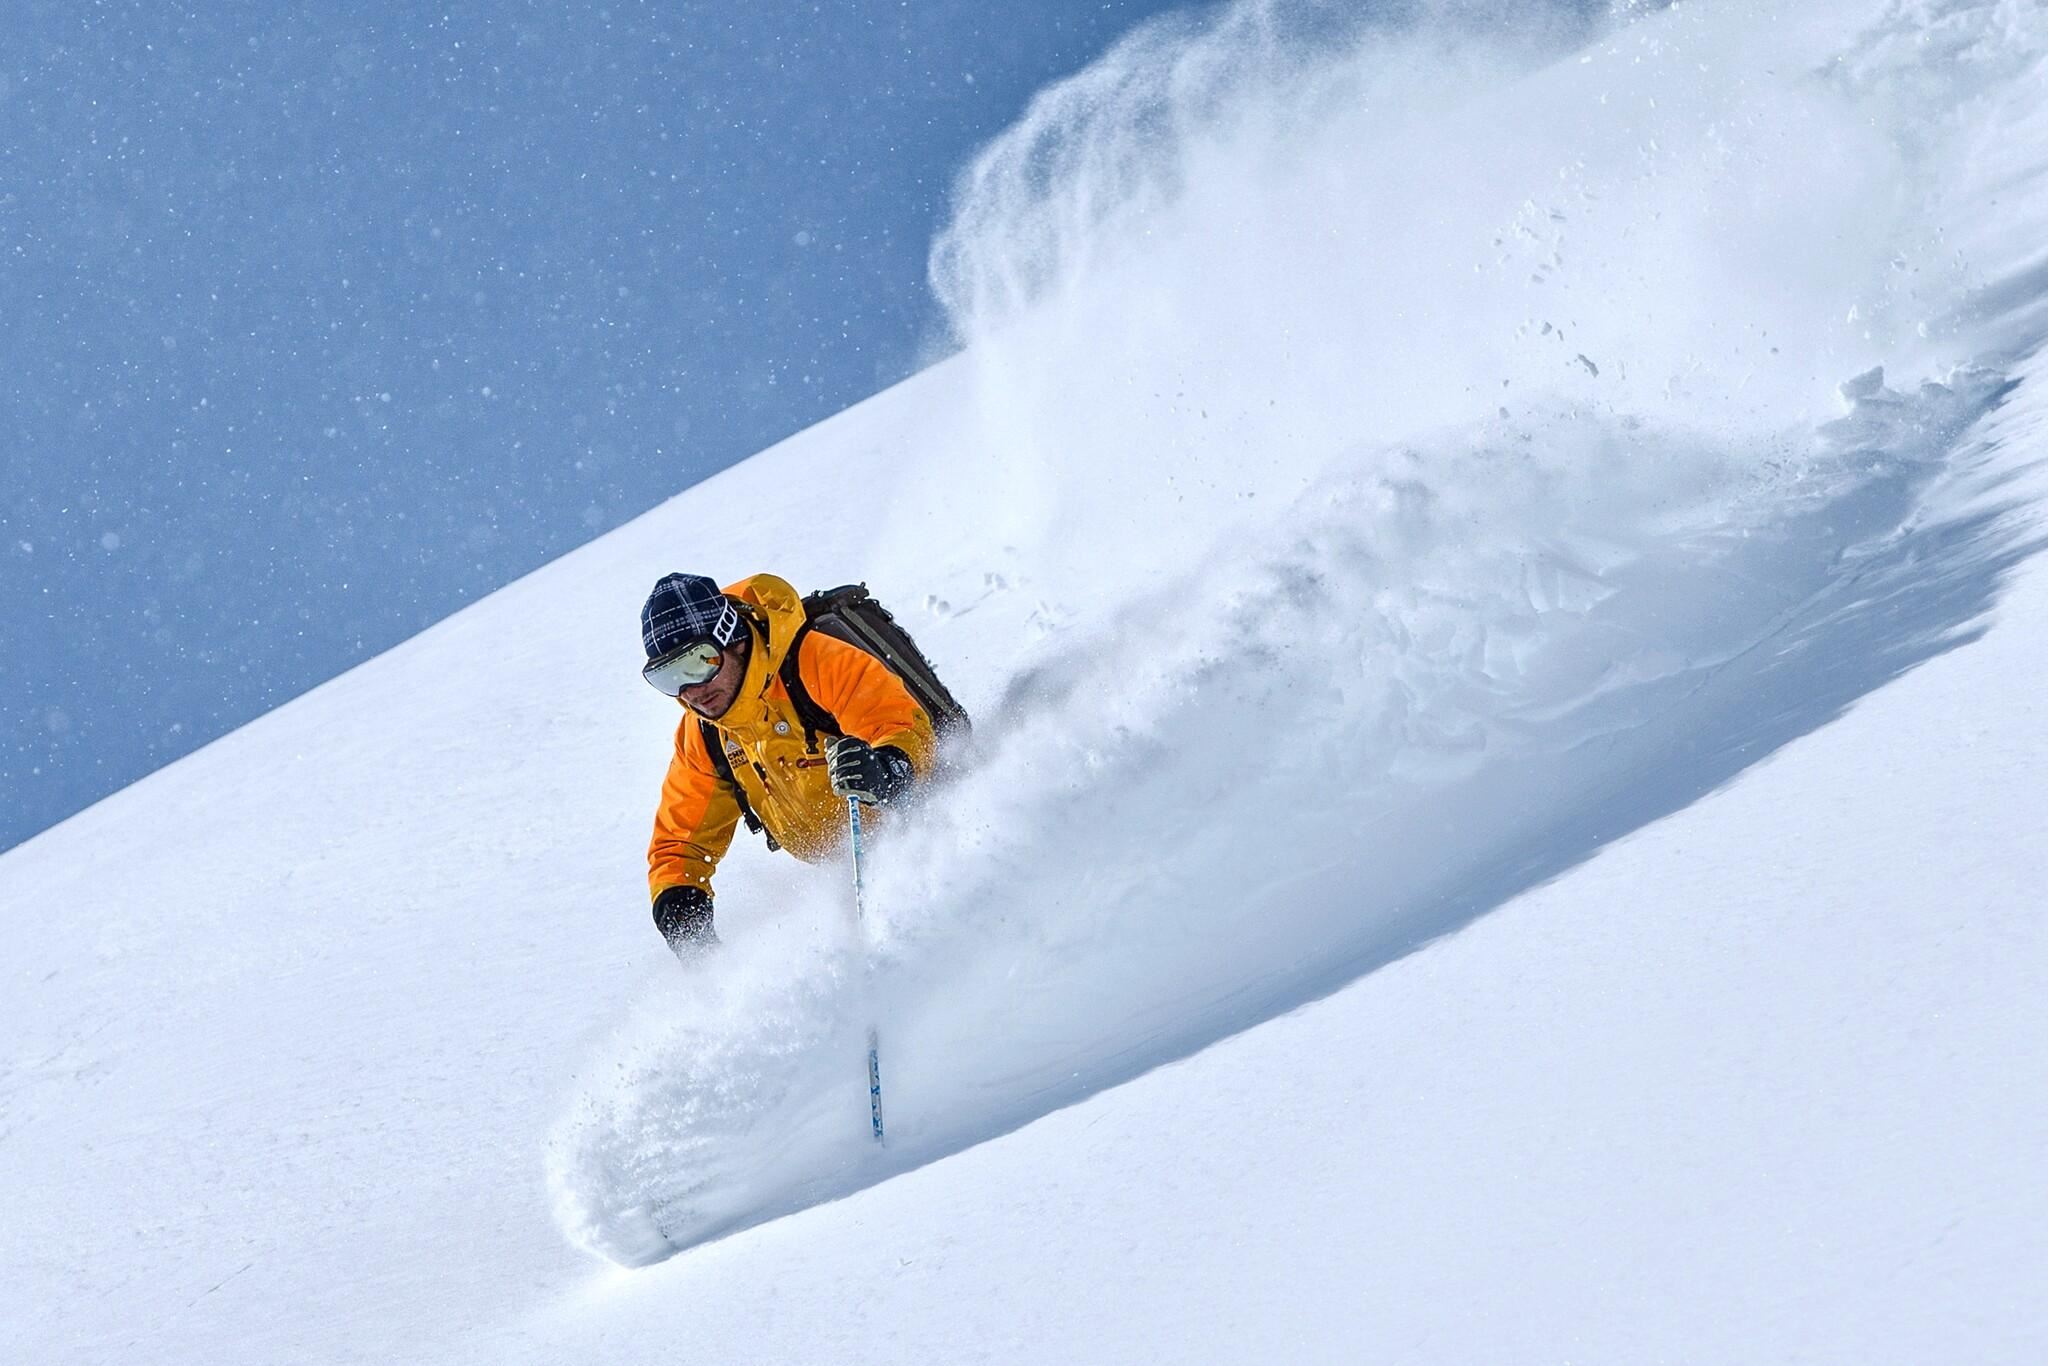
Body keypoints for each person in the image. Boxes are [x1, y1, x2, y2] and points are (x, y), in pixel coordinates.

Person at [640, 572, 935, 957]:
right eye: (669, 677)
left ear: (733, 639)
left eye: (699, 662)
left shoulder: (815, 662)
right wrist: (681, 912)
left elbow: (901, 725)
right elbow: (679, 845)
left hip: (927, 822)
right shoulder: (706, 734)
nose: (692, 691)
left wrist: (885, 769)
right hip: (844, 868)